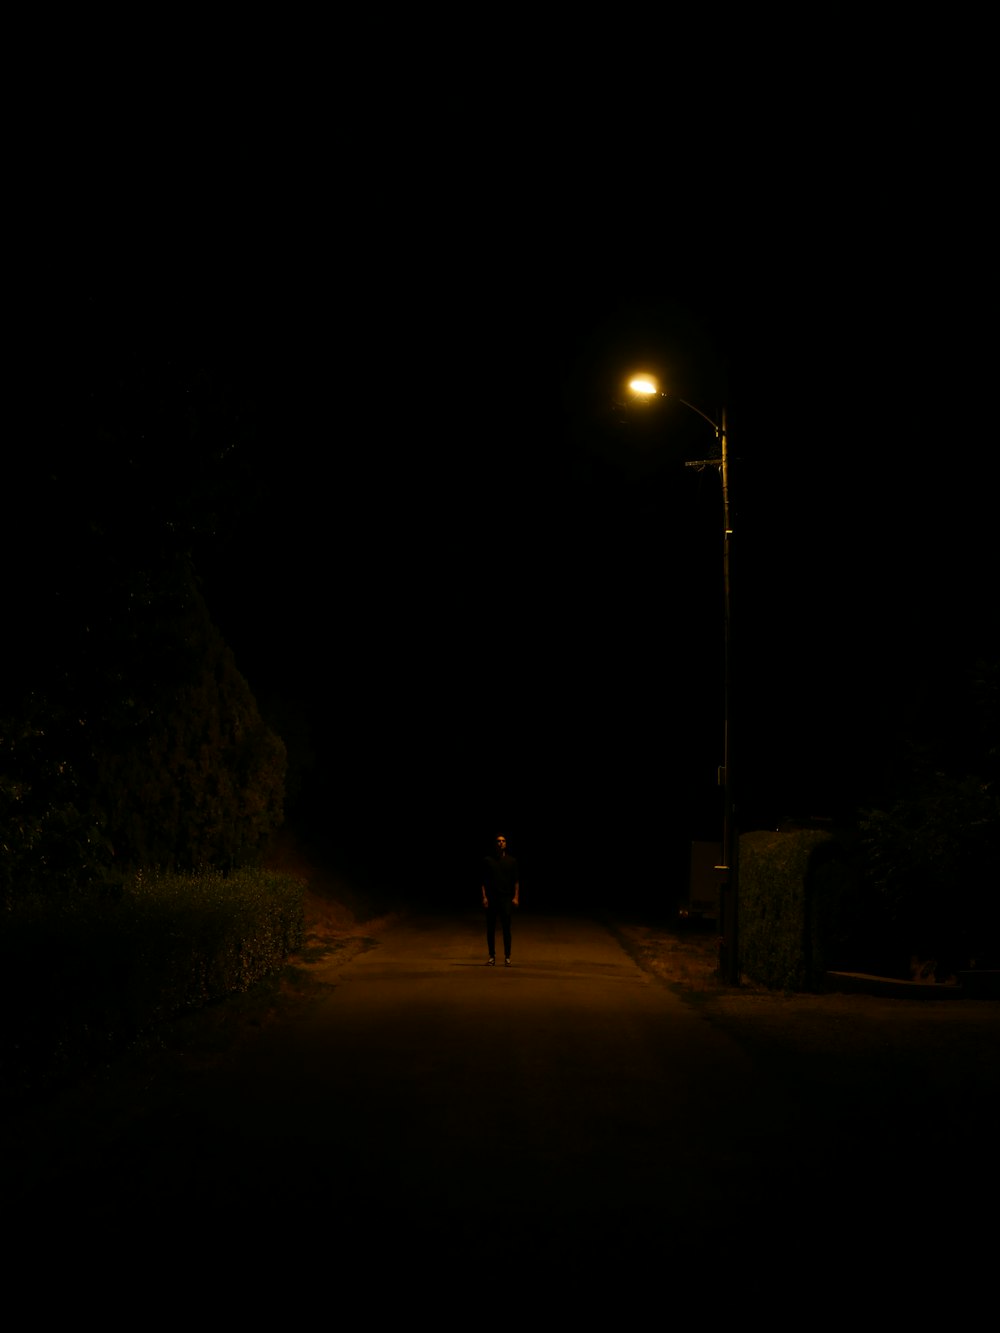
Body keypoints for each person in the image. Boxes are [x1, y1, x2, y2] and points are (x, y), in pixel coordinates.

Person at [481, 833, 519, 966]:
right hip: (492, 898)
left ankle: (507, 957)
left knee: (506, 928)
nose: (501, 843)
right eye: (498, 841)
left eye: (503, 841)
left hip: (506, 898)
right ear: (495, 844)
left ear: (506, 844)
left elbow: (516, 881)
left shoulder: (512, 861)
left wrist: (516, 897)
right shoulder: (488, 860)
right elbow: (483, 881)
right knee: (490, 928)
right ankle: (492, 956)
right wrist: (484, 897)